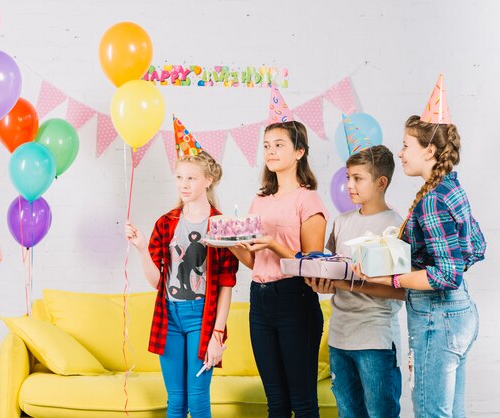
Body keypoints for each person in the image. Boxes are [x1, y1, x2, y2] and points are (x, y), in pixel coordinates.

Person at [354, 76, 486, 417]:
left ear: (429, 150)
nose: (400, 153)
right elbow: (476, 247)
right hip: (459, 313)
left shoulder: (432, 200)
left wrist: (391, 279)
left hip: (437, 317)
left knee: (430, 412)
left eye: (406, 145)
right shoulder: (450, 187)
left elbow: (446, 275)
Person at [125, 116, 238, 418]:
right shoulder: (166, 223)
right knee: (175, 400)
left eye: (191, 178)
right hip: (169, 315)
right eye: (179, 178)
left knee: (198, 399)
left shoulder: (220, 224)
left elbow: (226, 284)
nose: (184, 184)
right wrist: (140, 248)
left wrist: (218, 335)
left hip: (202, 316)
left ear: (208, 180)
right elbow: (156, 282)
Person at [232, 89, 329, 418]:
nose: (270, 152)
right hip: (259, 300)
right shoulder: (260, 199)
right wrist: (230, 241)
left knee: (302, 404)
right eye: (266, 146)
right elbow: (252, 260)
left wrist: (274, 243)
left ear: (299, 151)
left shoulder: (308, 200)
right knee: (275, 402)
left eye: (279, 145)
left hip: (295, 299)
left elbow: (315, 269)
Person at [306, 144, 404, 418]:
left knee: (380, 413)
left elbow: (401, 291)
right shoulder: (341, 222)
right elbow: (331, 270)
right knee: (348, 413)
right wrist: (320, 283)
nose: (349, 184)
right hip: (340, 337)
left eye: (358, 178)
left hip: (375, 340)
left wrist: (346, 283)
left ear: (381, 182)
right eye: (348, 177)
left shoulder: (395, 227)